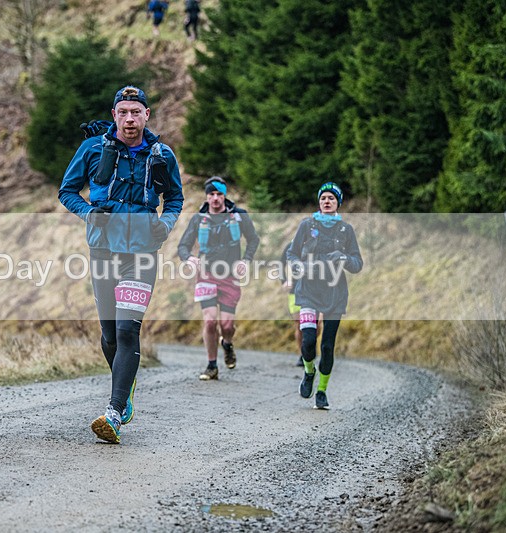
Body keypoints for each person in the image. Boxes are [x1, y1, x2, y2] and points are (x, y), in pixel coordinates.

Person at [59, 86, 184, 444]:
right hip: (103, 250)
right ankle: (125, 387)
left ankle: (113, 411)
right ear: (114, 115)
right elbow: (66, 191)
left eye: (136, 112)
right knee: (111, 335)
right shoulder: (93, 148)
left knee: (129, 331)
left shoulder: (162, 154)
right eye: (123, 111)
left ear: (147, 115)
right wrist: (88, 213)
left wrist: (166, 223)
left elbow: (174, 198)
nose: (130, 118)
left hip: (142, 252)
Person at [286, 182, 362, 410]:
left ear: (338, 202)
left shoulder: (345, 230)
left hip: (335, 294)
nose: (326, 201)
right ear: (319, 202)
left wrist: (345, 259)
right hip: (308, 290)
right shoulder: (307, 225)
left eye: (331, 198)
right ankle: (309, 372)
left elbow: (358, 263)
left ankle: (321, 391)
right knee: (308, 340)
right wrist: (297, 265)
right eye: (323, 198)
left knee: (327, 346)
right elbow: (291, 253)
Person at [177, 177, 259, 380]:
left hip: (230, 275)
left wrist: (245, 261)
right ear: (206, 196)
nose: (215, 198)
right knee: (210, 321)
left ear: (225, 195)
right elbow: (183, 246)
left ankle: (227, 343)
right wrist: (189, 259)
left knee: (227, 325)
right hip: (205, 275)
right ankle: (211, 365)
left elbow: (253, 240)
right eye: (211, 194)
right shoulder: (198, 218)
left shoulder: (239, 216)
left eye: (219, 194)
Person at [278, 241, 319, 367]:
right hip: (295, 290)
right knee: (300, 324)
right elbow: (280, 264)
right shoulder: (291, 245)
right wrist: (284, 281)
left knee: (316, 325)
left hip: (315, 290)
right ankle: (303, 354)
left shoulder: (318, 244)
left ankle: (310, 346)